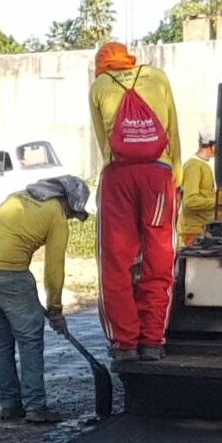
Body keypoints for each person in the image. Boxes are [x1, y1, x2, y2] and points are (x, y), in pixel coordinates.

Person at [89, 41, 182, 365]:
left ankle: (125, 344)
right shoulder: (157, 77)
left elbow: (104, 142)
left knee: (116, 265)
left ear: (102, 64)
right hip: (159, 175)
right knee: (159, 261)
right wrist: (176, 173)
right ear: (129, 59)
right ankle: (153, 342)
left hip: (119, 179)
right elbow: (173, 128)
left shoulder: (100, 85)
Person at [0, 175, 91, 425]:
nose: (70, 217)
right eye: (72, 212)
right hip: (12, 273)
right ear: (66, 201)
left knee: (0, 342)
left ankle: (10, 405)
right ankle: (36, 406)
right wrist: (55, 309)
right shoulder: (56, 214)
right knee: (30, 340)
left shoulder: (17, 197)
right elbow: (54, 267)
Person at [179, 129, 219, 248]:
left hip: (202, 230)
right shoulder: (193, 167)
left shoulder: (202, 166)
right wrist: (218, 203)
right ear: (212, 146)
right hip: (193, 232)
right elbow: (190, 201)